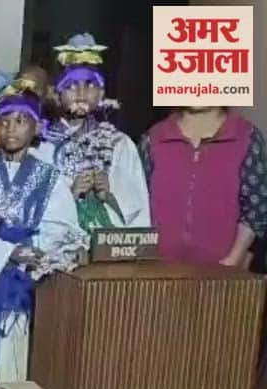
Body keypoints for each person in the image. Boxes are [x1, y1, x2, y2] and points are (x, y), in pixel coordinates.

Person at [0, 85, 85, 383]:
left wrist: (33, 250)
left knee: (18, 351)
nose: (11, 129)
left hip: (26, 280)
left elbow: (63, 228)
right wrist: (5, 251)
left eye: (21, 121)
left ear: (36, 127)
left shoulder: (51, 177)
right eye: (5, 121)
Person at [39, 33, 150, 232]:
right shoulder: (42, 147)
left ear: (101, 93)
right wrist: (70, 194)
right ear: (57, 93)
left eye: (89, 85)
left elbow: (138, 209)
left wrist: (109, 194)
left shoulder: (118, 144)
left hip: (108, 249)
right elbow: (30, 209)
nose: (81, 94)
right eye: (71, 86)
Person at [139, 107, 267, 269]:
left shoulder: (246, 137)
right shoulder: (154, 137)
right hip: (156, 273)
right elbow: (136, 203)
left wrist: (234, 259)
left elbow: (256, 207)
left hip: (221, 274)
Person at [0, 65, 53, 151]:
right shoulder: (0, 117)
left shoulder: (54, 124)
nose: (26, 92)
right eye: (20, 86)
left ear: (47, 91)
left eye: (33, 88)